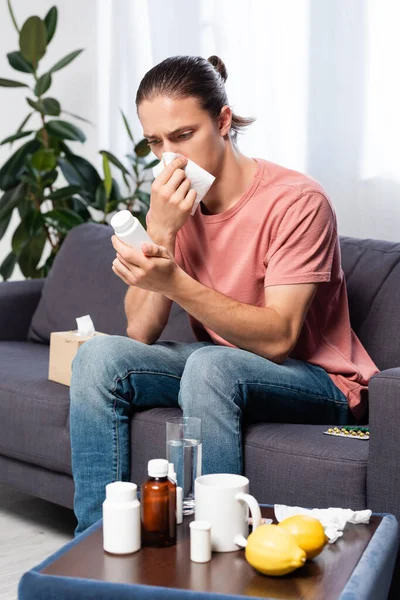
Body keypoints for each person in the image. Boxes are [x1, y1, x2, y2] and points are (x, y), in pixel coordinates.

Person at [69, 55, 379, 536]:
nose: (170, 157)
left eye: (183, 135)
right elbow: (140, 331)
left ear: (223, 121)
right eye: (156, 142)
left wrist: (173, 280)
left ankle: (214, 553)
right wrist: (163, 233)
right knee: (99, 357)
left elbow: (278, 338)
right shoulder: (176, 207)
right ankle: (92, 547)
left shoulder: (297, 202)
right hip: (221, 367)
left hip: (319, 380)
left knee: (212, 365)